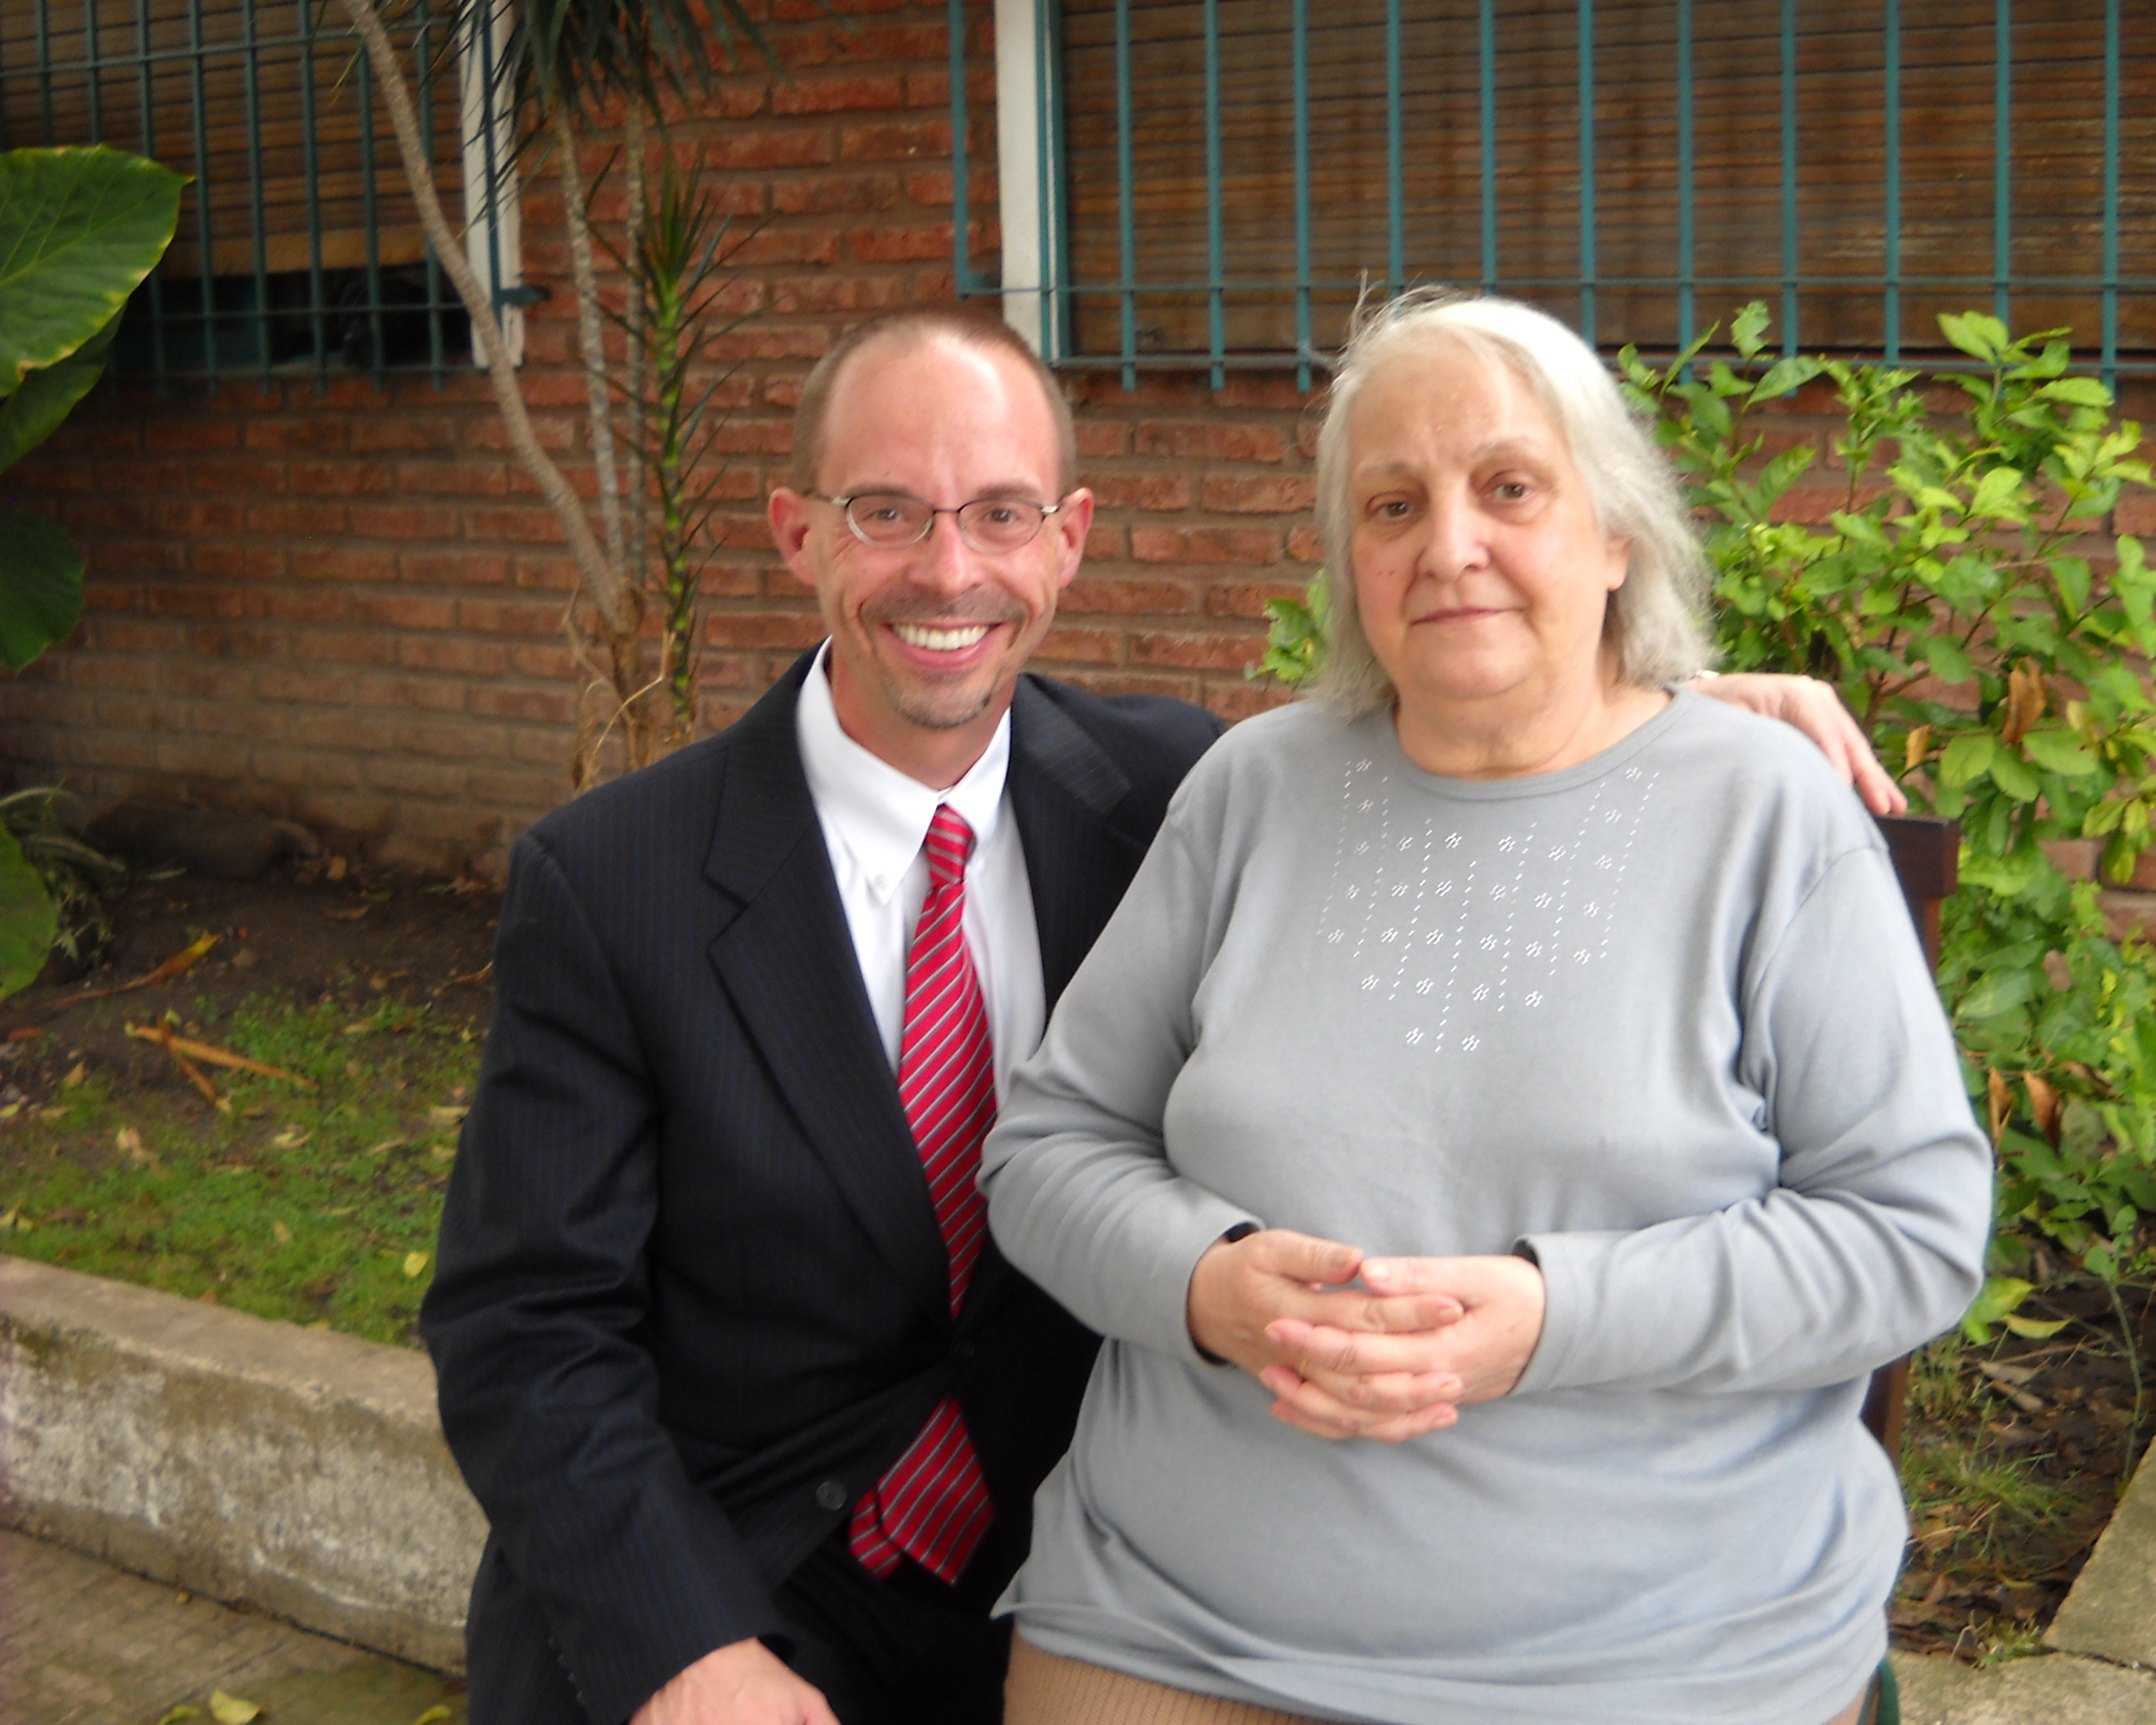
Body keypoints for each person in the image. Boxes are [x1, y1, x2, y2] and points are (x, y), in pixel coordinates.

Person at [421, 304, 1917, 1725]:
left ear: (1066, 542)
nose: (950, 571)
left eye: (1002, 512)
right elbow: (526, 1323)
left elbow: (1486, 747)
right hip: (755, 1564)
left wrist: (1662, 700)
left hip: (1048, 1530)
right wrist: (688, 1651)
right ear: (797, 531)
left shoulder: (1161, 788)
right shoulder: (615, 878)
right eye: (887, 511)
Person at [979, 293, 1995, 1725]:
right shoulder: (1254, 789)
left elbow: (1911, 1232)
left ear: (1616, 531)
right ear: (1349, 562)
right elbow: (1048, 1152)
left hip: (1657, 1656)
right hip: (1177, 1621)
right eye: (1393, 504)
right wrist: (1210, 1286)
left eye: (1509, 487)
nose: (1448, 545)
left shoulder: (1765, 817)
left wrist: (1550, 1317)